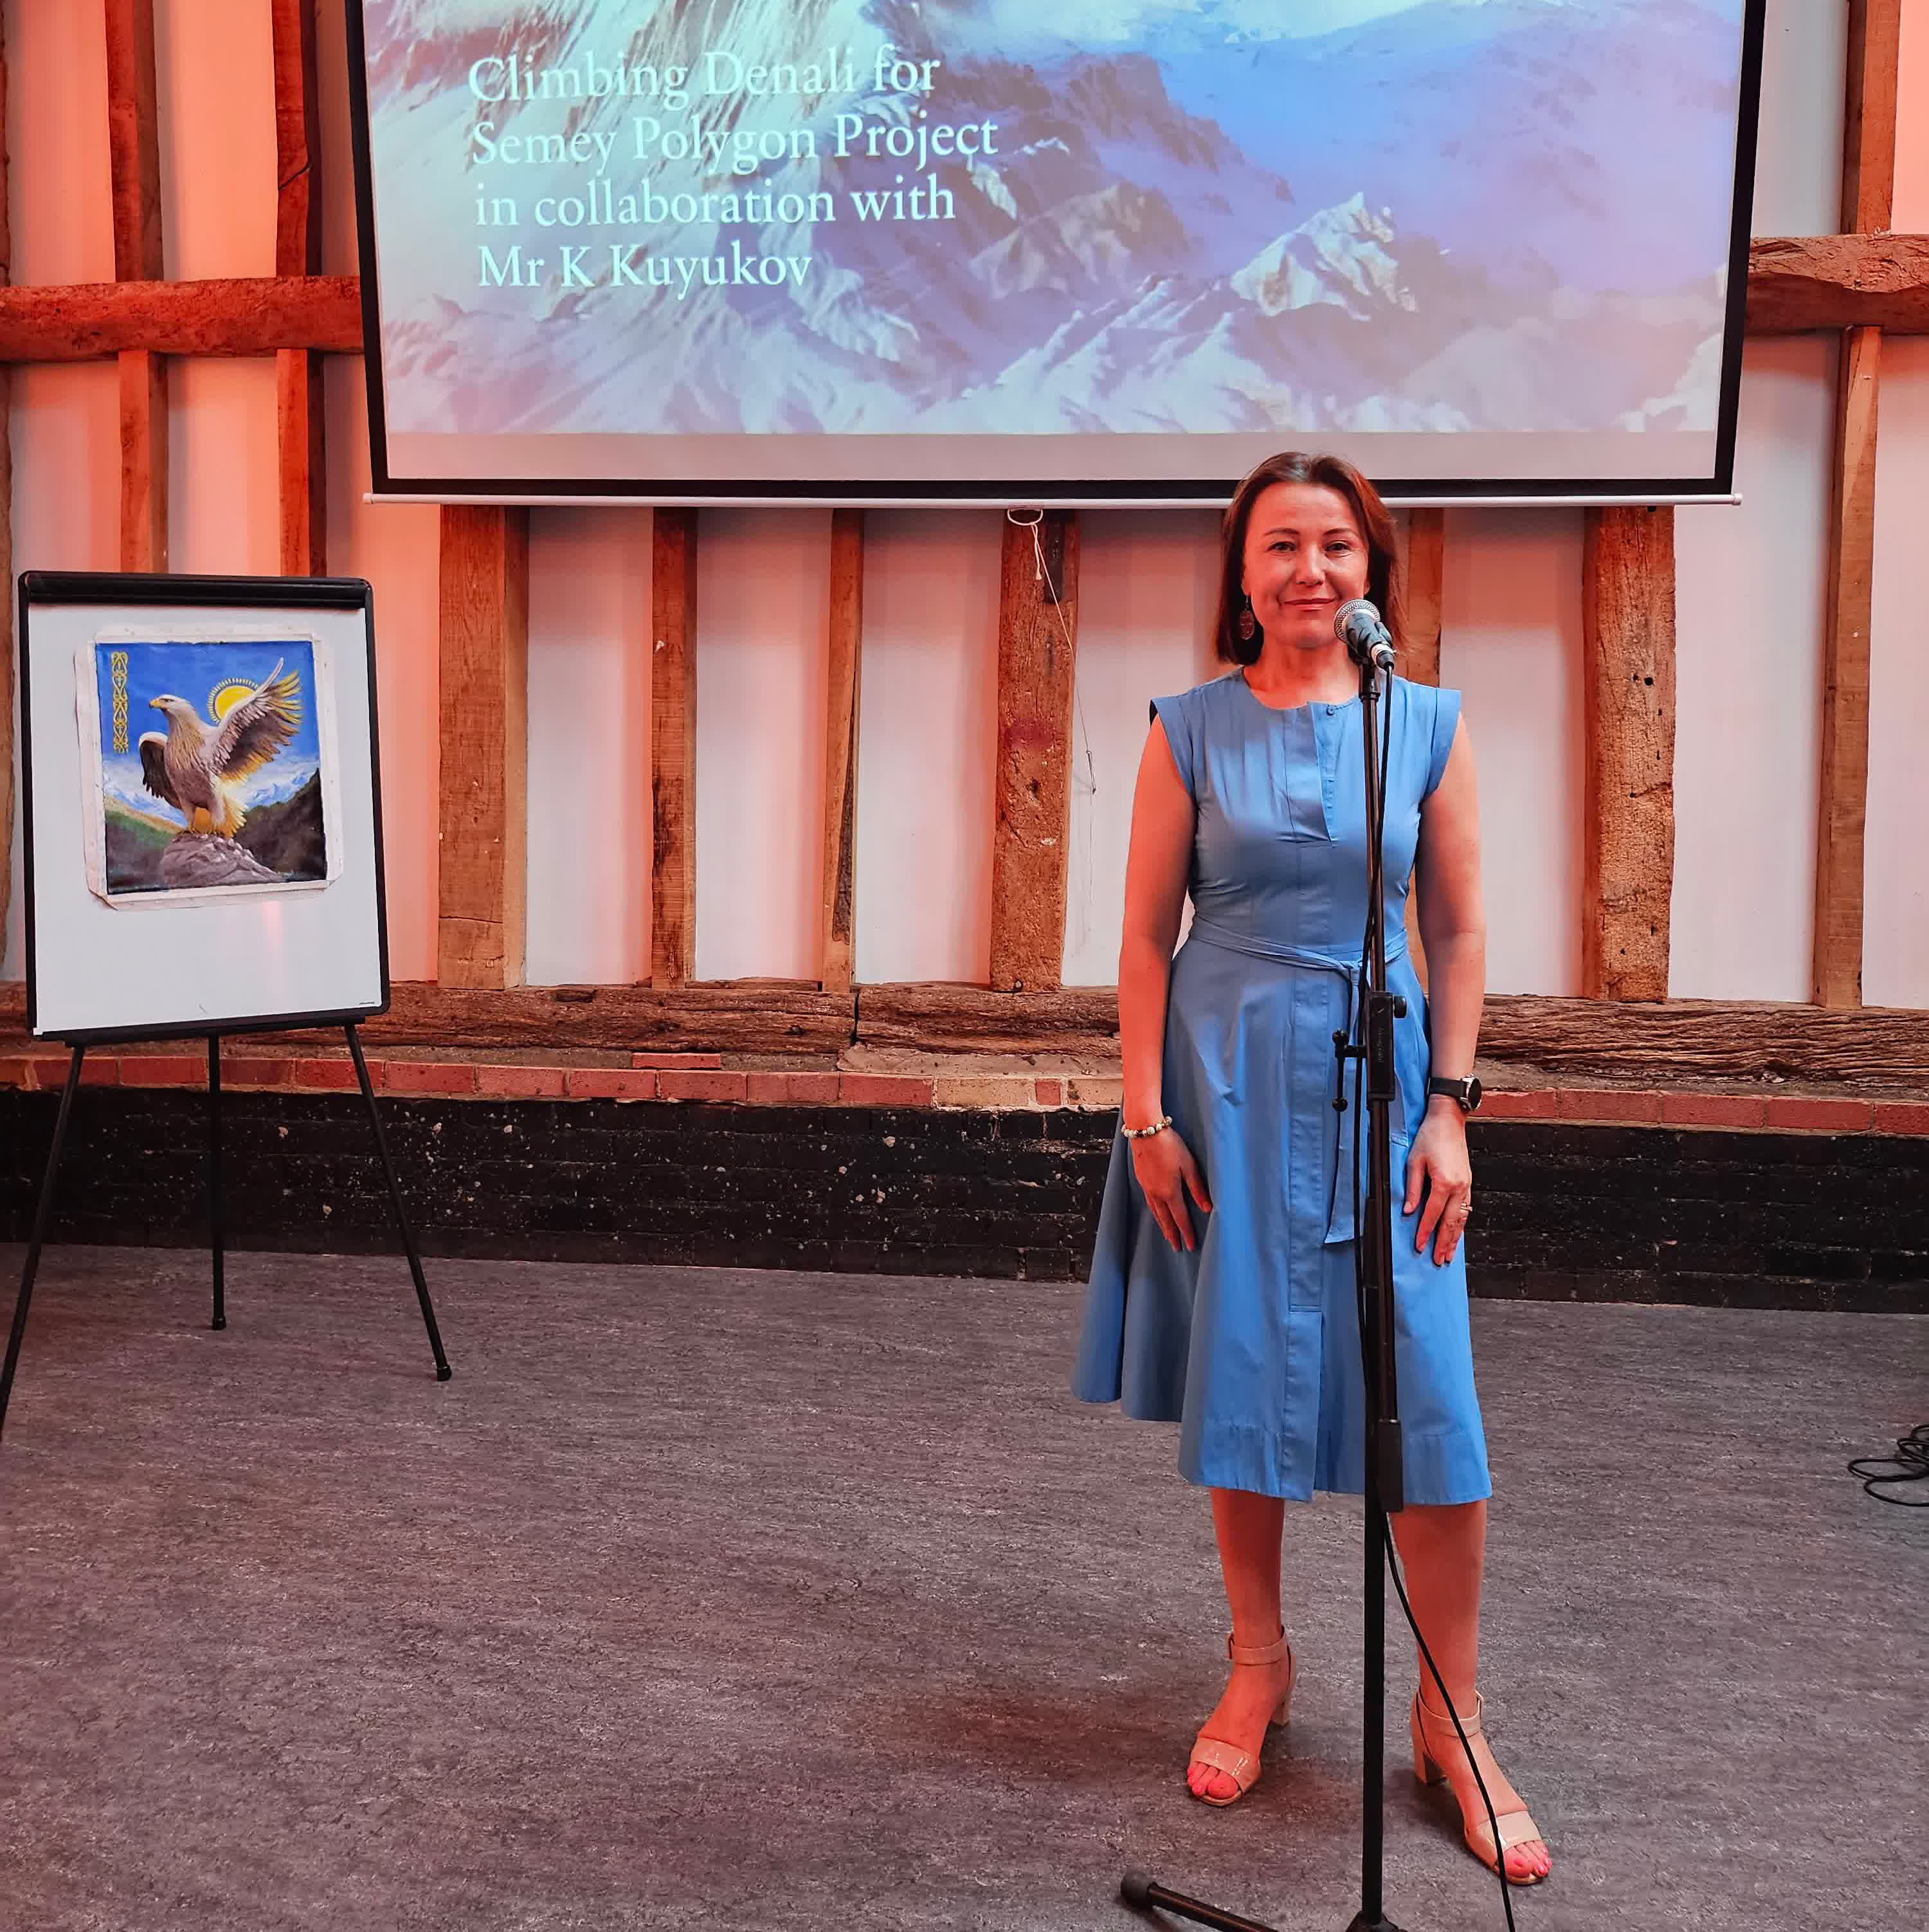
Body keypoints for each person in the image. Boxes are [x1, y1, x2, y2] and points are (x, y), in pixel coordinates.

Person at [1071, 451, 1550, 1886]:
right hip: (1224, 1082)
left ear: (1371, 567)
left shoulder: (1425, 721)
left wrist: (1451, 1107)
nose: (1310, 570)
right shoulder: (1188, 729)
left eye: (1335, 543)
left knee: (1430, 1392)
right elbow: (1143, 934)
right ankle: (1258, 1660)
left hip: (1385, 1084)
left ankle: (1452, 1715)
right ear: (1241, 571)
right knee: (1248, 1371)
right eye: (1280, 544)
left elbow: (1455, 929)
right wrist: (1145, 1115)